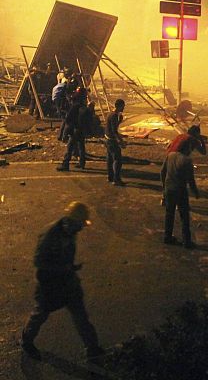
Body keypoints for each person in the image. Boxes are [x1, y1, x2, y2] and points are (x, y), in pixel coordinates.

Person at [21, 202, 103, 362]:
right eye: (81, 224)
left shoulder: (70, 230)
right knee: (41, 314)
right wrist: (63, 267)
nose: (82, 228)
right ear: (72, 221)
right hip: (49, 284)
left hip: (67, 281)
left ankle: (93, 348)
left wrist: (70, 267)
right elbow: (39, 262)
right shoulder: (50, 235)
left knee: (80, 315)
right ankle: (26, 340)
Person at [161, 140, 200, 249]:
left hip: (169, 189)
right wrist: (195, 192)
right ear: (186, 149)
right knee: (184, 216)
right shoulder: (187, 161)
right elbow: (190, 180)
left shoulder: (170, 155)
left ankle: (167, 236)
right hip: (180, 190)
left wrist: (164, 188)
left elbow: (162, 172)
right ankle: (186, 241)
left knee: (169, 214)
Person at [56, 89, 91, 171]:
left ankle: (65, 164)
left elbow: (68, 119)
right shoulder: (84, 105)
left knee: (70, 147)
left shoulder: (75, 105)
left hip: (75, 130)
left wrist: (66, 131)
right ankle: (82, 163)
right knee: (81, 146)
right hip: (82, 130)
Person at [105, 99, 125, 186]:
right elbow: (114, 131)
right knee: (117, 160)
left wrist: (119, 121)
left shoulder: (110, 114)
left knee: (110, 159)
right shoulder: (113, 116)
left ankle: (110, 176)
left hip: (108, 140)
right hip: (112, 141)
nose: (124, 108)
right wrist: (121, 141)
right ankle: (116, 179)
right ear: (119, 106)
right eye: (123, 106)